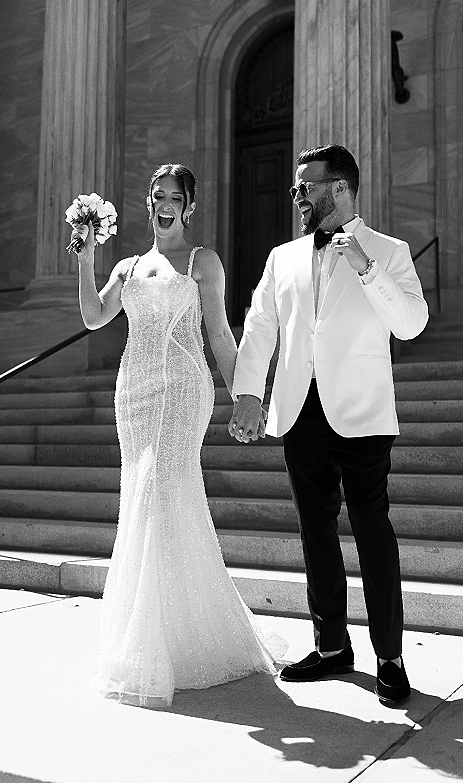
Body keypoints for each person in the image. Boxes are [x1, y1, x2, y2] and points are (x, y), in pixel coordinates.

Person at [228, 144, 429, 705]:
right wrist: (247, 393)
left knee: (373, 536)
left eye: (305, 188)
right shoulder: (281, 257)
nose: (296, 198)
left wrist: (365, 269)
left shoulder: (389, 252)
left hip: (363, 414)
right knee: (315, 534)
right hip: (299, 412)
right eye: (296, 189)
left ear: (338, 188)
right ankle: (332, 645)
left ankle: (389, 658)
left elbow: (411, 324)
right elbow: (261, 325)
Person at [75, 163, 276, 708]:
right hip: (134, 392)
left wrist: (245, 398)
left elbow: (219, 332)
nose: (165, 204)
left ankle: (170, 642)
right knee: (141, 501)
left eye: (175, 197)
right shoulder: (129, 265)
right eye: (157, 195)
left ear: (189, 206)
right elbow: (95, 317)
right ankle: (155, 637)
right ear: (149, 202)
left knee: (164, 493)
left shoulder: (202, 261)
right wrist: (87, 256)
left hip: (184, 390)